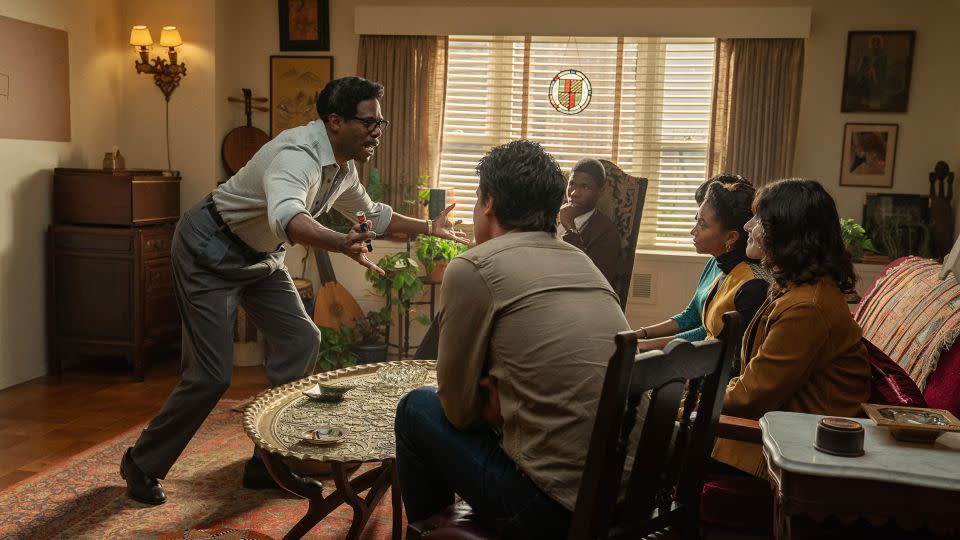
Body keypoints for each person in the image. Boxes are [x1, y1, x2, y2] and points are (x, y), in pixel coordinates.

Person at [119, 76, 467, 505]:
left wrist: (428, 227)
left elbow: (371, 214)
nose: (378, 131)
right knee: (209, 376)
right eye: (370, 123)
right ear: (335, 122)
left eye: (382, 123)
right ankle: (141, 463)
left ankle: (266, 465)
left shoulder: (342, 166)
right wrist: (341, 242)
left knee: (303, 338)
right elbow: (289, 217)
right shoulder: (296, 155)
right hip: (208, 250)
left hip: (261, 258)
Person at [394, 141, 631, 539]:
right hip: (619, 498)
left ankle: (431, 532)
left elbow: (456, 412)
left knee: (416, 407)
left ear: (488, 202)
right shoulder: (582, 261)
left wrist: (489, 405)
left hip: (549, 511)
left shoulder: (474, 265)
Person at [715, 179, 871, 476]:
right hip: (777, 434)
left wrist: (685, 400)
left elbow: (750, 397)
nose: (748, 226)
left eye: (759, 218)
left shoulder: (806, 307)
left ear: (786, 232)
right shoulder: (798, 291)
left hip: (788, 455)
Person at [634, 174, 753, 351]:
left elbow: (708, 334)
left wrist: (646, 345)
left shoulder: (748, 283)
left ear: (730, 237)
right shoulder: (717, 262)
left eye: (703, 224)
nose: (693, 231)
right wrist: (640, 335)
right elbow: (692, 316)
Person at [558, 158, 621, 286]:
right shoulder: (552, 216)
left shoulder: (607, 233)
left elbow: (593, 280)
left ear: (601, 191)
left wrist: (570, 227)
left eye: (585, 187)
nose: (574, 193)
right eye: (572, 184)